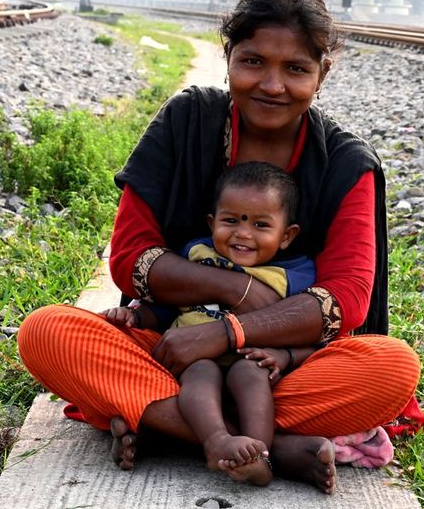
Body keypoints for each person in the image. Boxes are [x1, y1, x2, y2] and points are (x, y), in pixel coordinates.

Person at [17, 0, 422, 496]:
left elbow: (347, 300)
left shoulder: (345, 162)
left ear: (322, 74)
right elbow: (130, 257)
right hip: (174, 349)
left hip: (279, 367)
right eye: (253, 62)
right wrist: (238, 292)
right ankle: (267, 444)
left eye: (296, 69)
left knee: (391, 368)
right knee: (46, 331)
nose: (272, 85)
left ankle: (169, 423)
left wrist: (230, 334)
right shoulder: (186, 121)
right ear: (227, 56)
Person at [99, 161, 315, 486]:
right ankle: (217, 441)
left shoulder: (295, 276)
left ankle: (258, 456)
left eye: (260, 225)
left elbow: (311, 336)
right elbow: (166, 308)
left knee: (250, 374)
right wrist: (134, 316)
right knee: (200, 371)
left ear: (287, 236)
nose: (243, 233)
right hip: (188, 362)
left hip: (250, 362)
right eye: (231, 221)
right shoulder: (196, 255)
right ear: (212, 222)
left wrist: (284, 357)